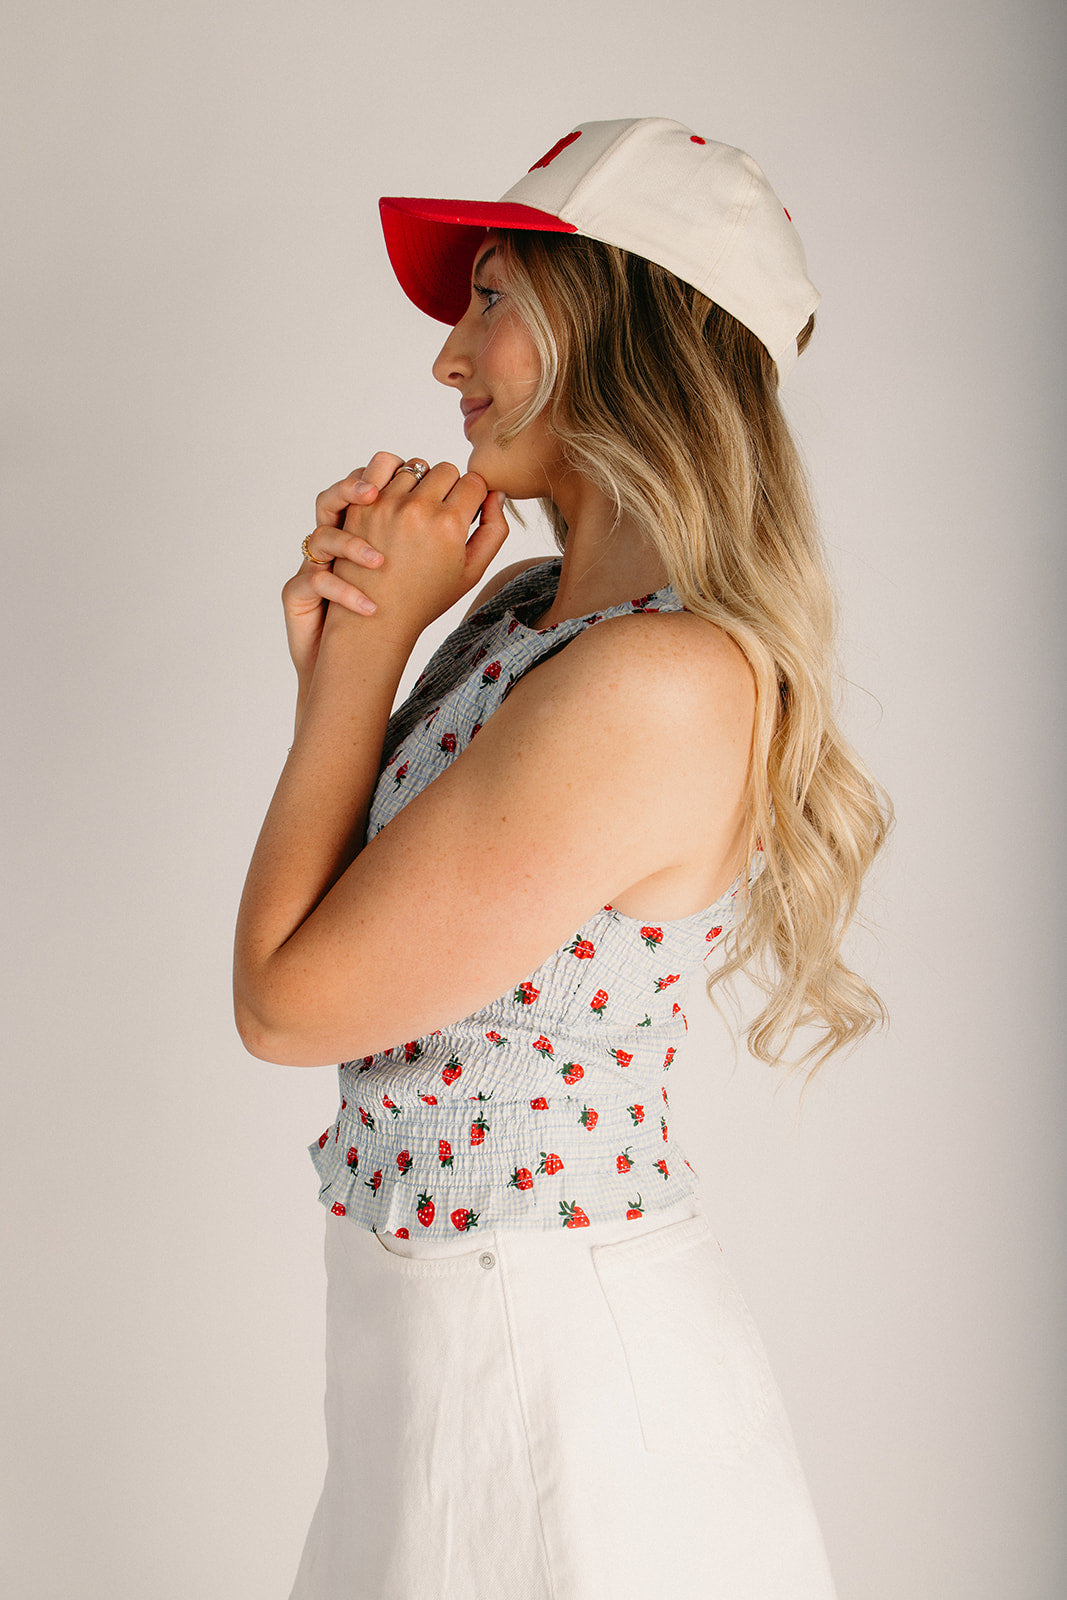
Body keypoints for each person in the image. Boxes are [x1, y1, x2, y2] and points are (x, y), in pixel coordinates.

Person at [233, 117, 892, 1599]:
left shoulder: (658, 682)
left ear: (628, 328)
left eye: (491, 301)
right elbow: (347, 936)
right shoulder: (522, 615)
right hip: (435, 1354)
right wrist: (352, 657)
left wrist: (358, 671)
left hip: (545, 1385)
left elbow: (285, 1000)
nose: (447, 360)